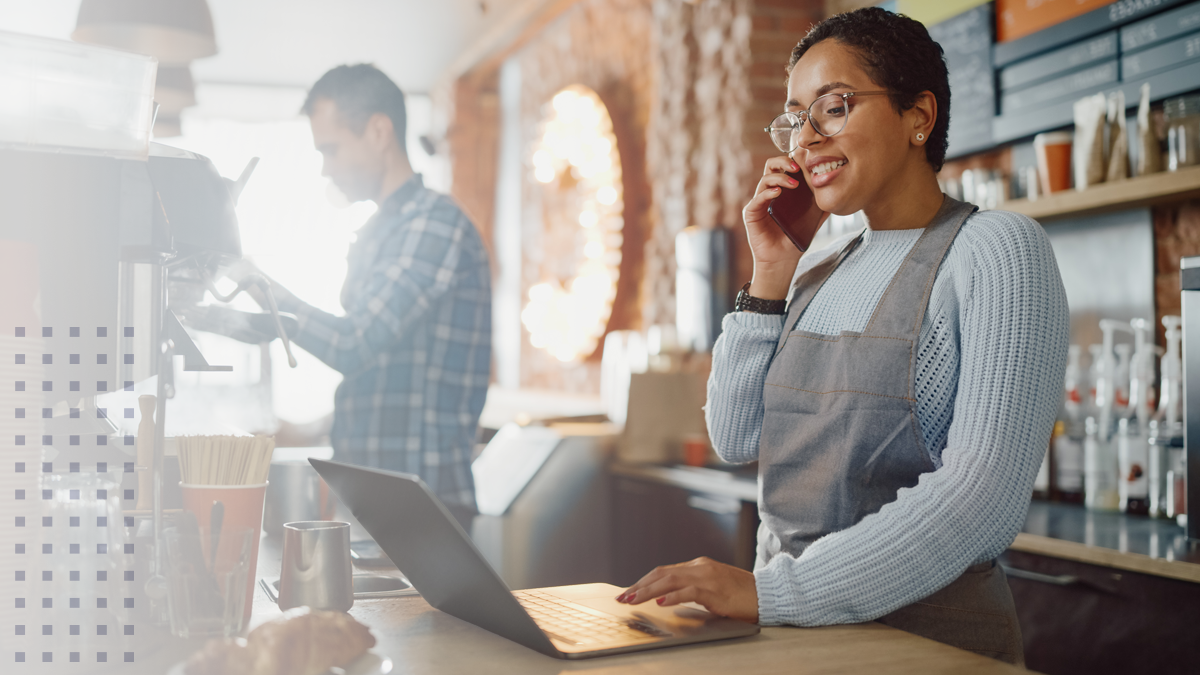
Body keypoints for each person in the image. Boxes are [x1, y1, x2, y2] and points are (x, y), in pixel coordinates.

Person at [615, 8, 1068, 665]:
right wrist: (769, 273)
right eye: (796, 118)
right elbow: (736, 436)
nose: (805, 140)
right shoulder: (819, 263)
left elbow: (981, 503)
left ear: (919, 115)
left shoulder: (994, 248)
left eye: (834, 107)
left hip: (925, 647)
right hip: (796, 640)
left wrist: (773, 593)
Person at [246, 64, 491, 520]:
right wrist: (310, 428)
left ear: (379, 131)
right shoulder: (384, 232)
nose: (326, 168)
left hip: (424, 507)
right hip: (379, 499)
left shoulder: (432, 223)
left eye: (332, 149)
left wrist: (256, 283)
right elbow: (383, 382)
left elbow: (355, 343)